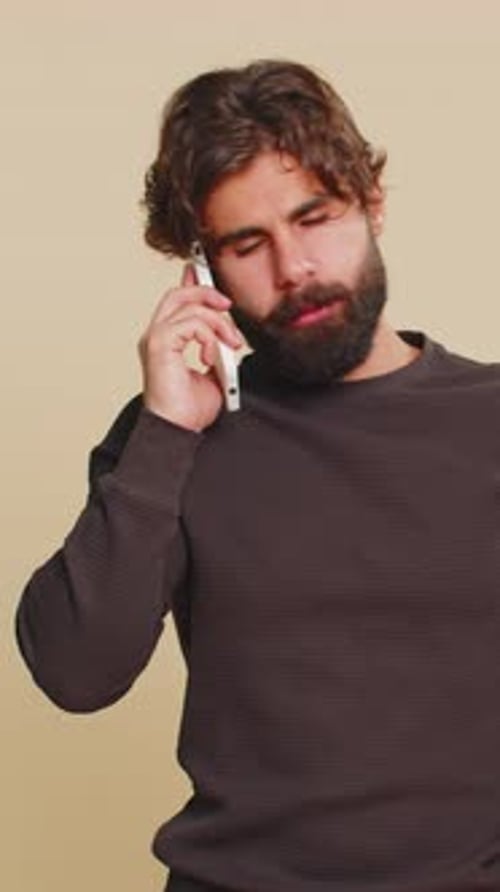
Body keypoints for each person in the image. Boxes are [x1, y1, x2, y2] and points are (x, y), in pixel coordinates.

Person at [16, 59, 500, 892]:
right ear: (202, 271)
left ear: (372, 203)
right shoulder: (172, 438)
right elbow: (75, 672)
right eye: (247, 244)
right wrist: (166, 430)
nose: (295, 267)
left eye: (316, 218)